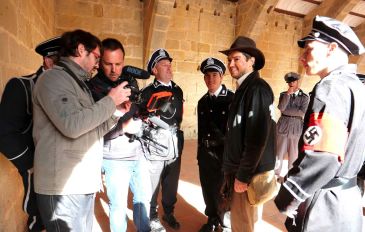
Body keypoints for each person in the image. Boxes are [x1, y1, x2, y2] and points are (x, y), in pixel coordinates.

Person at [32, 29, 131, 231]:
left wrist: (115, 112)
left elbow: (91, 128)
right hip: (62, 187)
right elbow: (72, 126)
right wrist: (110, 100)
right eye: (95, 56)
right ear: (80, 50)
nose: (97, 63)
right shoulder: (54, 79)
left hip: (81, 182)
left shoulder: (78, 83)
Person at [274, 16, 365, 232]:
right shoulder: (357, 87)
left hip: (324, 205)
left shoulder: (331, 88)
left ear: (331, 48)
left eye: (309, 49)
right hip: (348, 198)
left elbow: (323, 155)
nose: (302, 57)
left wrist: (290, 194)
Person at [87, 38, 151, 232]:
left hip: (137, 153)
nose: (114, 69)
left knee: (143, 199)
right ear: (99, 63)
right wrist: (123, 127)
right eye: (108, 64)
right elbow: (92, 132)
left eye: (118, 63)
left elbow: (135, 109)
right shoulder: (92, 89)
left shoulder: (130, 80)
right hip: (113, 158)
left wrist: (142, 112)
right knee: (118, 206)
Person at [0, 36, 61, 232]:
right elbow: (5, 135)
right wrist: (32, 165)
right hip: (40, 172)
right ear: (49, 61)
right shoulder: (22, 86)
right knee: (41, 218)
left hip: (65, 169)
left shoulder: (69, 89)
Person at [219, 36, 276, 232]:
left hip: (247, 174)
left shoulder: (256, 89)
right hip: (242, 170)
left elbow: (256, 139)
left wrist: (242, 176)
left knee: (242, 224)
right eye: (229, 60)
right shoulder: (246, 88)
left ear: (251, 60)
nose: (231, 64)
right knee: (245, 221)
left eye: (236, 59)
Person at [140, 48, 184, 231]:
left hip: (174, 144)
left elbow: (180, 116)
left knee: (171, 183)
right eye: (164, 65)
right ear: (154, 70)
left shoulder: (178, 89)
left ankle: (169, 212)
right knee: (153, 184)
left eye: (170, 65)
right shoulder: (147, 92)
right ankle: (152, 215)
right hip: (155, 146)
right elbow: (141, 119)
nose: (169, 68)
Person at [197, 57, 234, 232]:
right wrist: (200, 155)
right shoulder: (202, 102)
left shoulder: (232, 100)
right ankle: (212, 218)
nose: (210, 79)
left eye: (214, 74)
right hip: (206, 155)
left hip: (223, 155)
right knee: (208, 189)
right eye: (207, 75)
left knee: (224, 190)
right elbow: (201, 131)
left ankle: (225, 223)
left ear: (221, 76)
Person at [275, 72, 309, 177]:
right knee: (278, 153)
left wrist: (287, 111)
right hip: (283, 126)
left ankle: (290, 176)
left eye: (293, 81)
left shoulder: (304, 97)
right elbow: (281, 108)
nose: (291, 84)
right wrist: (287, 96)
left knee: (294, 154)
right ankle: (276, 175)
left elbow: (302, 112)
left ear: (297, 81)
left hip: (296, 127)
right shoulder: (283, 95)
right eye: (289, 82)